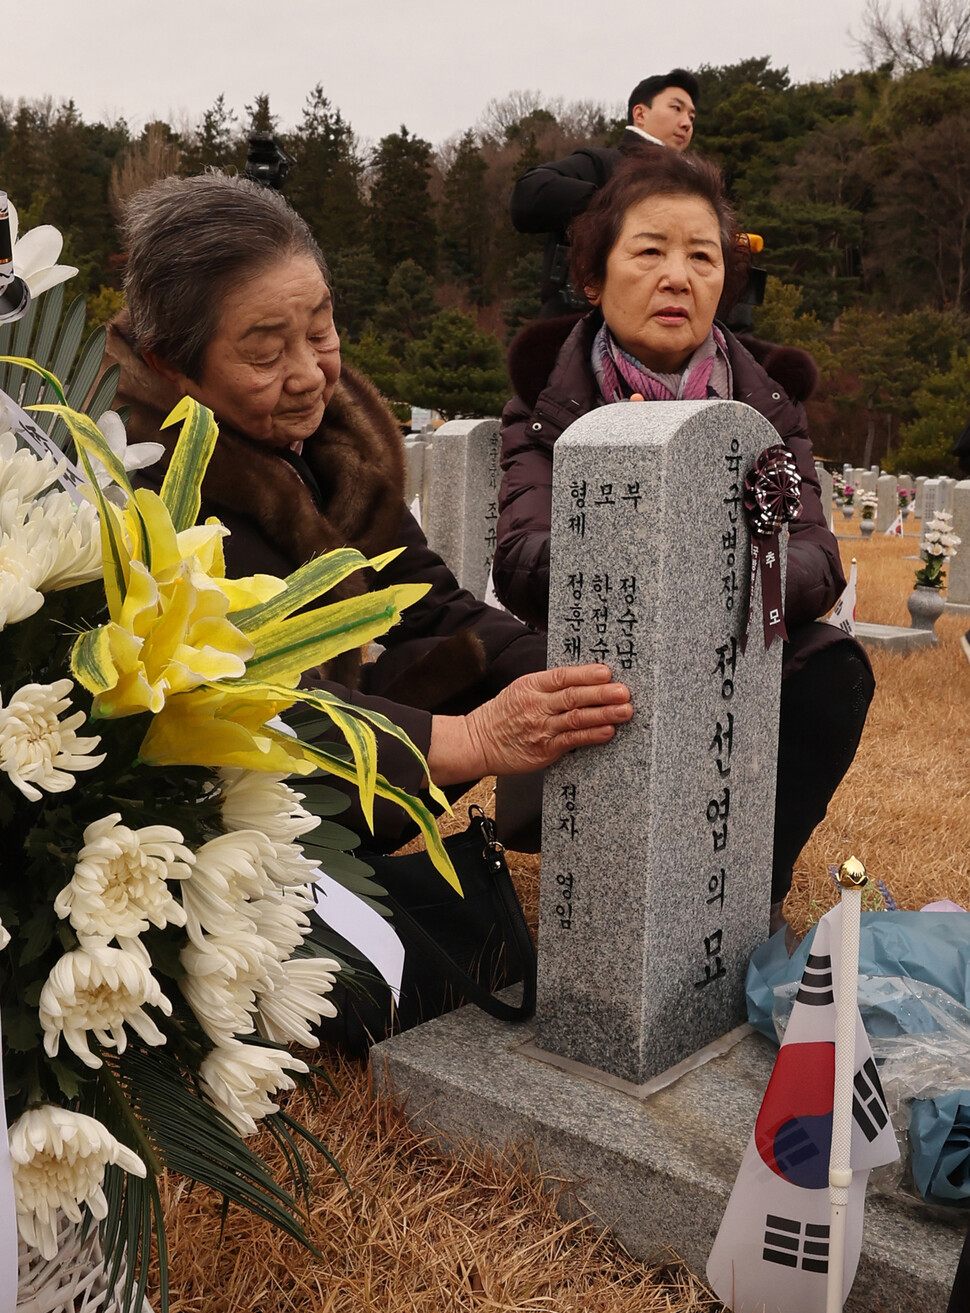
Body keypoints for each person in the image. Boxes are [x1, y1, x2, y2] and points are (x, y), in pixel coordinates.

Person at [103, 171, 633, 848]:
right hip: (211, 801)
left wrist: (585, 678)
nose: (308, 374)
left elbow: (433, 603)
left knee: (461, 652)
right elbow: (242, 700)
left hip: (340, 718)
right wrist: (475, 737)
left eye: (320, 332)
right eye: (264, 353)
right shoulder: (137, 477)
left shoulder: (336, 442)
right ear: (169, 364)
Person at [494, 148, 874, 932]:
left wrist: (718, 586)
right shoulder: (550, 395)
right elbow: (523, 554)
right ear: (593, 279)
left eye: (702, 256)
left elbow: (814, 554)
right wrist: (641, 566)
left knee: (831, 669)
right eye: (650, 251)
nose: (679, 276)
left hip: (732, 641)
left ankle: (741, 893)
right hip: (604, 642)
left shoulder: (766, 398)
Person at [509, 70, 699, 314]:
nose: (686, 123)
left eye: (692, 117)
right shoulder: (604, 163)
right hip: (581, 333)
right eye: (676, 108)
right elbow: (527, 194)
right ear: (640, 114)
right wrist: (618, 204)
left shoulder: (697, 188)